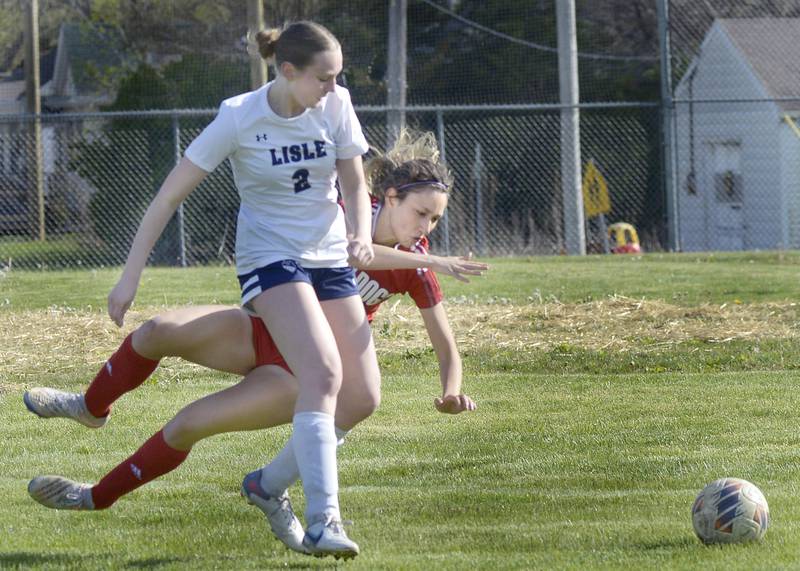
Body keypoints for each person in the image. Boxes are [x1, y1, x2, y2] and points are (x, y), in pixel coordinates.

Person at [25, 131, 484, 558]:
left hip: (296, 372)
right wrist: (439, 261)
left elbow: (446, 344)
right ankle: (90, 407)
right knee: (155, 330)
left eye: (436, 219)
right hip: (259, 328)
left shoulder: (418, 264)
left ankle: (94, 497)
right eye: (421, 213)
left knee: (185, 426)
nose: (427, 227)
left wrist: (450, 390)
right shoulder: (346, 208)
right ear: (389, 198)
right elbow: (350, 249)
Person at [29, 20, 380, 559]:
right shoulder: (240, 116)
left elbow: (355, 183)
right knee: (320, 372)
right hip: (272, 260)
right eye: (324, 78)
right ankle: (322, 519)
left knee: (362, 397)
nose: (333, 88)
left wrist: (359, 234)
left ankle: (266, 486)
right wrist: (130, 275)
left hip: (328, 261)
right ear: (287, 71)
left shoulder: (336, 105)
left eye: (338, 77)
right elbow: (167, 199)